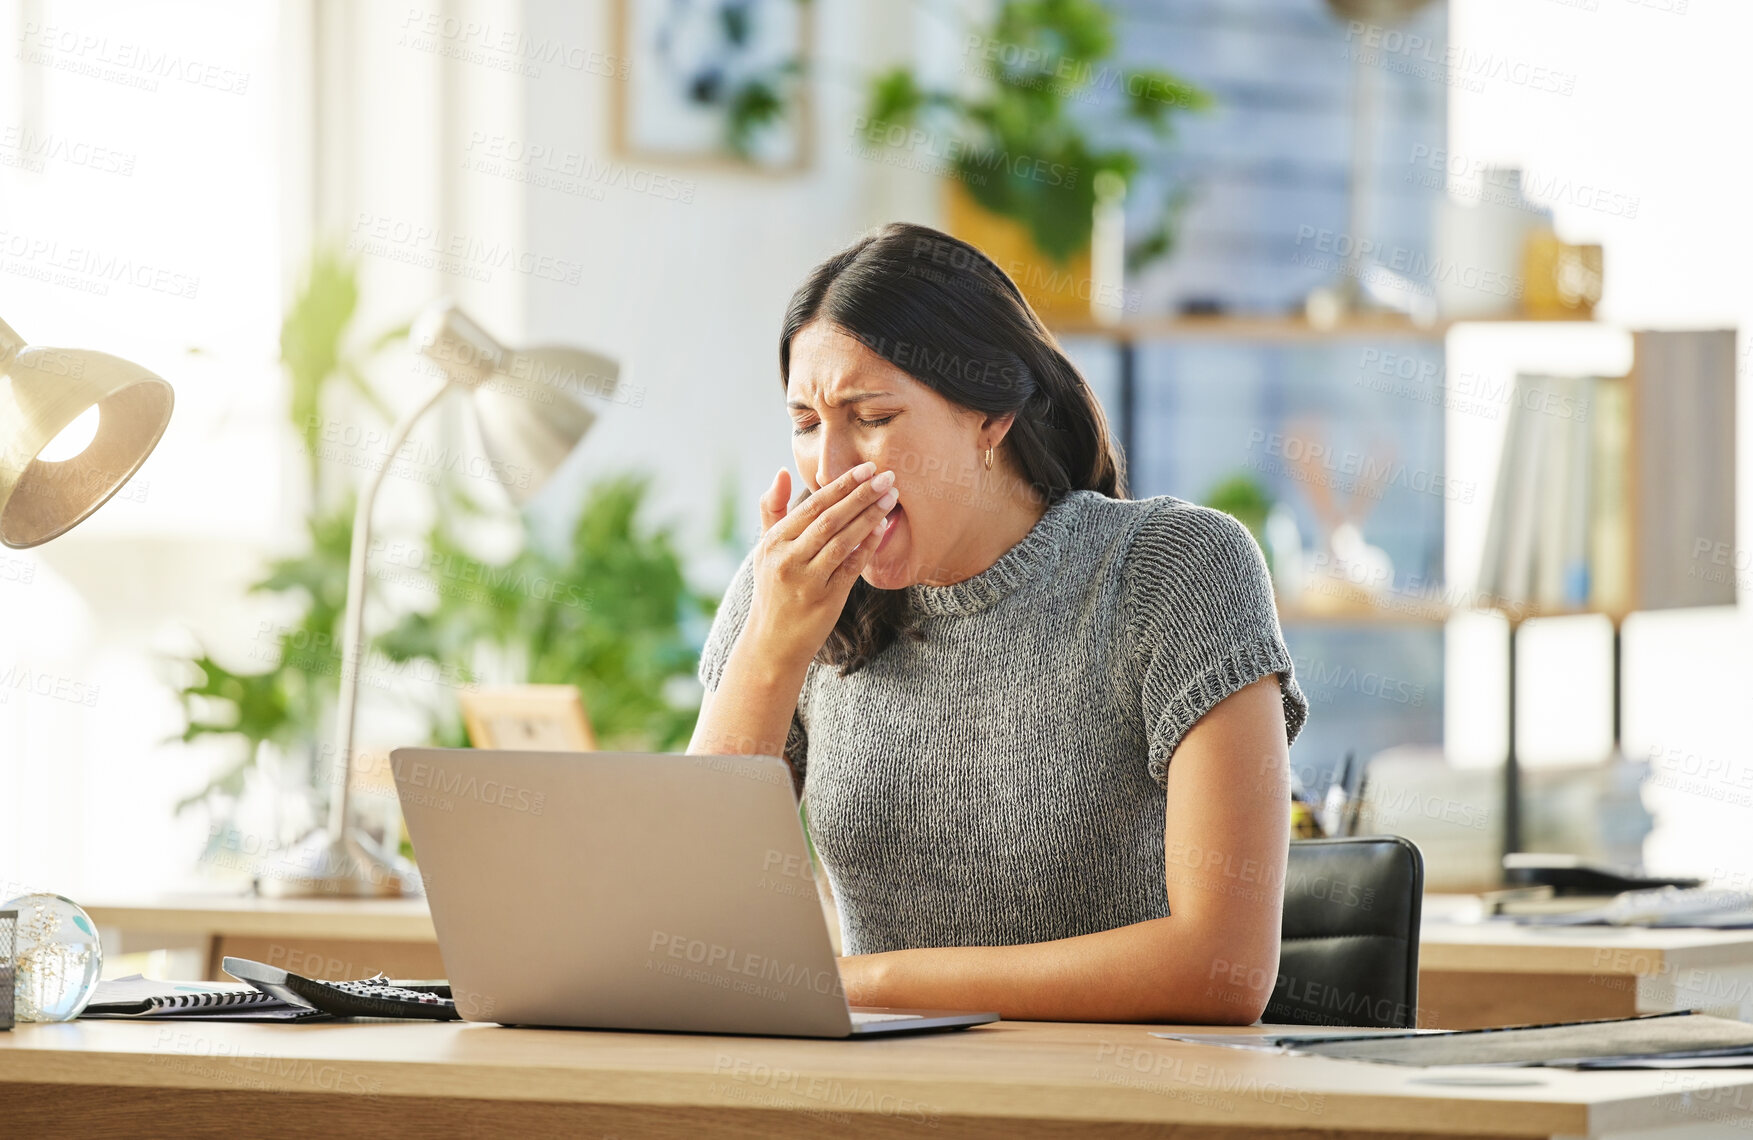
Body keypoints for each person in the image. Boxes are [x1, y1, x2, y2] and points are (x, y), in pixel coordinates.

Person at [688, 222, 1307, 1023]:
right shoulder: (785, 592)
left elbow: (1220, 969)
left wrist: (860, 983)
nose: (827, 469)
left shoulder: (1173, 569)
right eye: (806, 423)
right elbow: (689, 926)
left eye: (869, 416)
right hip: (870, 1102)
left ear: (989, 419)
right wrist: (769, 653)